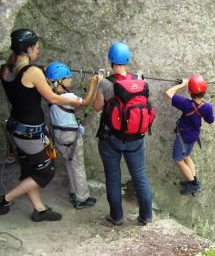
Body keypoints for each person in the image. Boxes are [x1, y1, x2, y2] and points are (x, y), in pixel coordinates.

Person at [0, 29, 81, 221]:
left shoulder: (5, 69)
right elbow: (52, 97)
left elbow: (22, 89)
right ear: (28, 49)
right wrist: (76, 102)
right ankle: (5, 199)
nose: (38, 51)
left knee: (30, 169)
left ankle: (40, 210)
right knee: (46, 170)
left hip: (16, 129)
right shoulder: (33, 72)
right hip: (31, 132)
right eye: (36, 48)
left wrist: (40, 71)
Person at [93, 42, 153, 226]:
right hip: (136, 139)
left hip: (111, 139)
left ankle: (117, 217)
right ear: (128, 60)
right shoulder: (140, 81)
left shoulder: (105, 83)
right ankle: (146, 216)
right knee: (140, 176)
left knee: (113, 177)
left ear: (111, 60)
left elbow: (97, 108)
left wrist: (97, 84)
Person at [45, 61, 101, 209]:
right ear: (59, 81)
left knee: (69, 163)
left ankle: (73, 191)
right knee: (78, 166)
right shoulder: (68, 97)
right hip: (70, 135)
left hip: (58, 134)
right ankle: (82, 198)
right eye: (67, 77)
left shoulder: (50, 94)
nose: (71, 79)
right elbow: (87, 101)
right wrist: (94, 84)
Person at [165, 74, 215, 195]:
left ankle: (193, 184)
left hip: (183, 137)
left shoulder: (186, 104)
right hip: (193, 136)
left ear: (190, 91)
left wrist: (182, 84)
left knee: (178, 160)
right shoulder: (207, 107)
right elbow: (210, 120)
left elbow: (168, 93)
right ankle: (193, 181)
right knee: (187, 156)